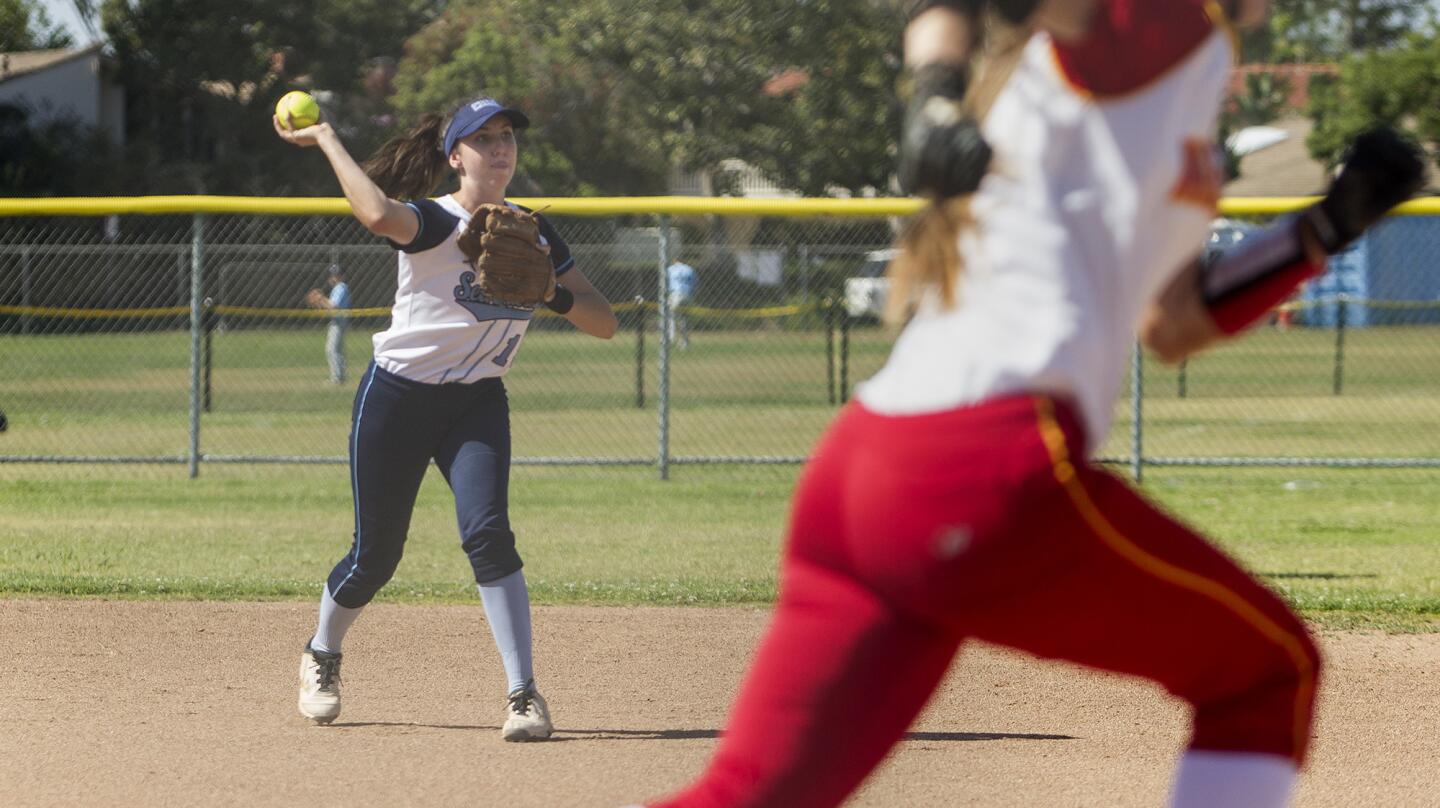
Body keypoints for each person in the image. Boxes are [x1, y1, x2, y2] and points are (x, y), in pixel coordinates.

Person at [641, 1, 1421, 806]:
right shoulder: (1161, 25)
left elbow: (1174, 320)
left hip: (869, 476)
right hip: (982, 467)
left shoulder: (1187, 68)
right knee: (1266, 674)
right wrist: (934, 89)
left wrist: (1325, 227)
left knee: (747, 794)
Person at [274, 95, 618, 740]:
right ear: (455, 155)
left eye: (507, 134)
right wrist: (325, 135)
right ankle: (322, 652)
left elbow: (604, 323)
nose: (499, 146)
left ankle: (523, 693)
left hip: (477, 403)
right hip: (398, 398)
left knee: (489, 534)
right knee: (375, 556)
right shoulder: (434, 221)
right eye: (482, 137)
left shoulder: (536, 233)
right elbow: (376, 213)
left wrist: (552, 291)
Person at [305, 265, 352, 384]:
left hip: (338, 322)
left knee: (331, 350)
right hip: (339, 321)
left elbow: (334, 306)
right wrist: (321, 302)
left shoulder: (340, 287)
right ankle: (341, 377)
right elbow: (330, 307)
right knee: (338, 350)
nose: (332, 278)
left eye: (335, 275)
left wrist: (321, 299)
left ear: (340, 276)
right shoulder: (339, 288)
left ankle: (336, 378)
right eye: (332, 275)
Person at [665, 259, 697, 349]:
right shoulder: (689, 269)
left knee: (671, 317)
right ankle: (684, 342)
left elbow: (665, 284)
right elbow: (695, 284)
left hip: (675, 295)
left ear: (675, 261)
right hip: (687, 295)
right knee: (684, 319)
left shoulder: (670, 269)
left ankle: (670, 340)